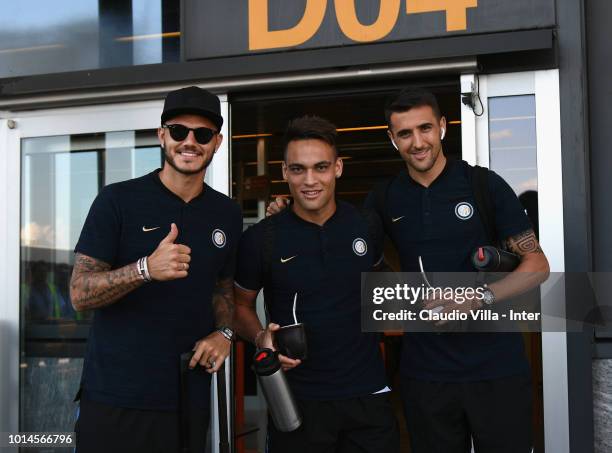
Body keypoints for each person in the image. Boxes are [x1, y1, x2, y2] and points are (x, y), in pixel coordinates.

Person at [367, 88, 550, 453]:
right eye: (405, 133)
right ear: (392, 138)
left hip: (497, 370)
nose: (417, 142)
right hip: (426, 375)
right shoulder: (384, 198)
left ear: (442, 127)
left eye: (425, 129)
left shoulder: (483, 184)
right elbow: (358, 258)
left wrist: (480, 296)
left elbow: (538, 265)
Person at [70, 86, 242, 453]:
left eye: (203, 134)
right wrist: (145, 269)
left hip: (187, 396)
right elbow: (79, 293)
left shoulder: (227, 213)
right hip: (117, 396)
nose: (190, 142)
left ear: (217, 142)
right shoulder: (117, 200)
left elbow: (222, 289)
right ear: (162, 135)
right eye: (179, 131)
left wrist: (225, 334)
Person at [233, 116, 399, 453]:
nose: (310, 180)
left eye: (320, 167)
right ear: (284, 172)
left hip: (369, 399)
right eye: (298, 169)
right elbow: (238, 306)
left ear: (337, 168)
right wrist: (261, 340)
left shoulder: (366, 224)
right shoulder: (261, 239)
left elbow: (386, 286)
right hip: (297, 402)